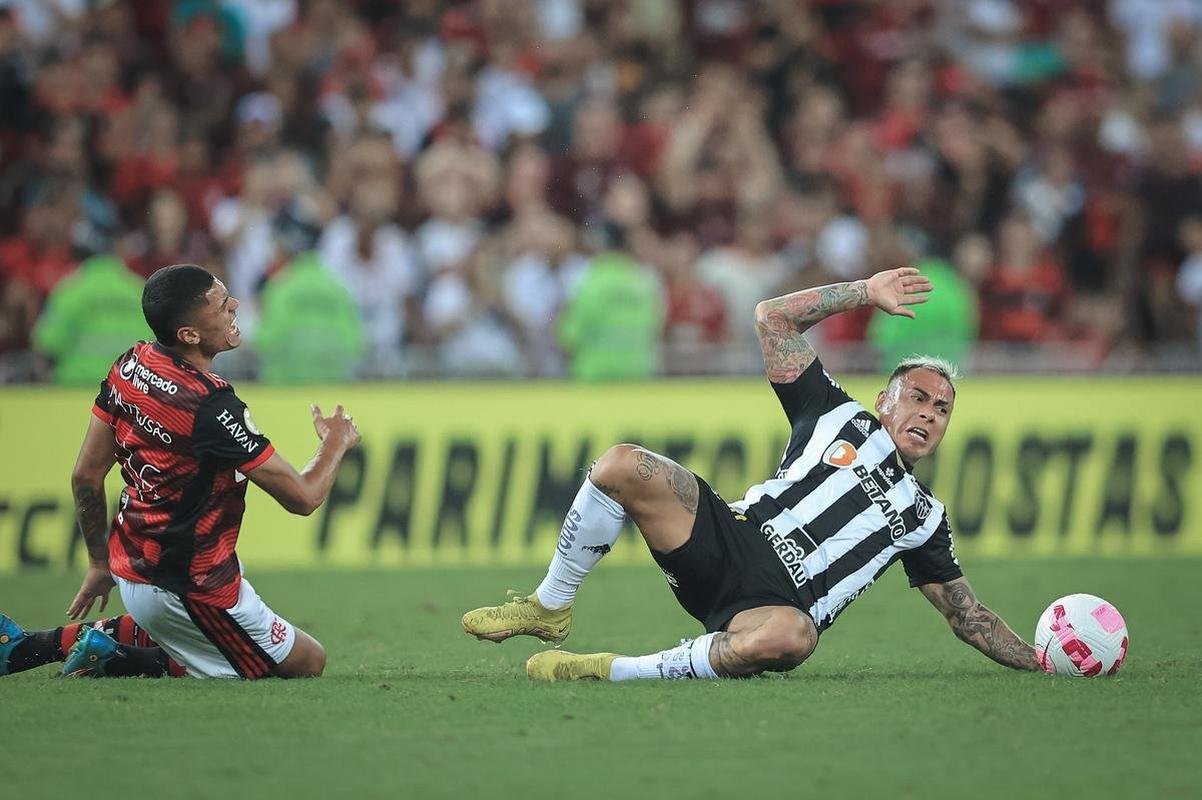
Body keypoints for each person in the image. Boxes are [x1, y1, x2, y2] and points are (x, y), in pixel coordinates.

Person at [462, 267, 1041, 681]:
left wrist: (1044, 660)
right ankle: (550, 606)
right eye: (917, 397)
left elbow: (969, 618)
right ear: (884, 402)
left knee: (794, 639)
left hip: (772, 609)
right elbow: (773, 319)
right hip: (731, 537)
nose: (929, 414)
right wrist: (863, 292)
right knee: (619, 463)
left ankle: (610, 670)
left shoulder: (924, 517)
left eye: (942, 410)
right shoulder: (836, 415)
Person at [0, 264, 361, 679]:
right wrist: (334, 443)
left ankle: (31, 647)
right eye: (222, 305)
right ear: (188, 334)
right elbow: (303, 498)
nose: (236, 307)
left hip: (132, 568)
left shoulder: (131, 365)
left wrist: (99, 563)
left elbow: (85, 475)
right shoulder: (211, 408)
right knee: (305, 662)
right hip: (190, 586)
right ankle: (118, 660)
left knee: (186, 633)